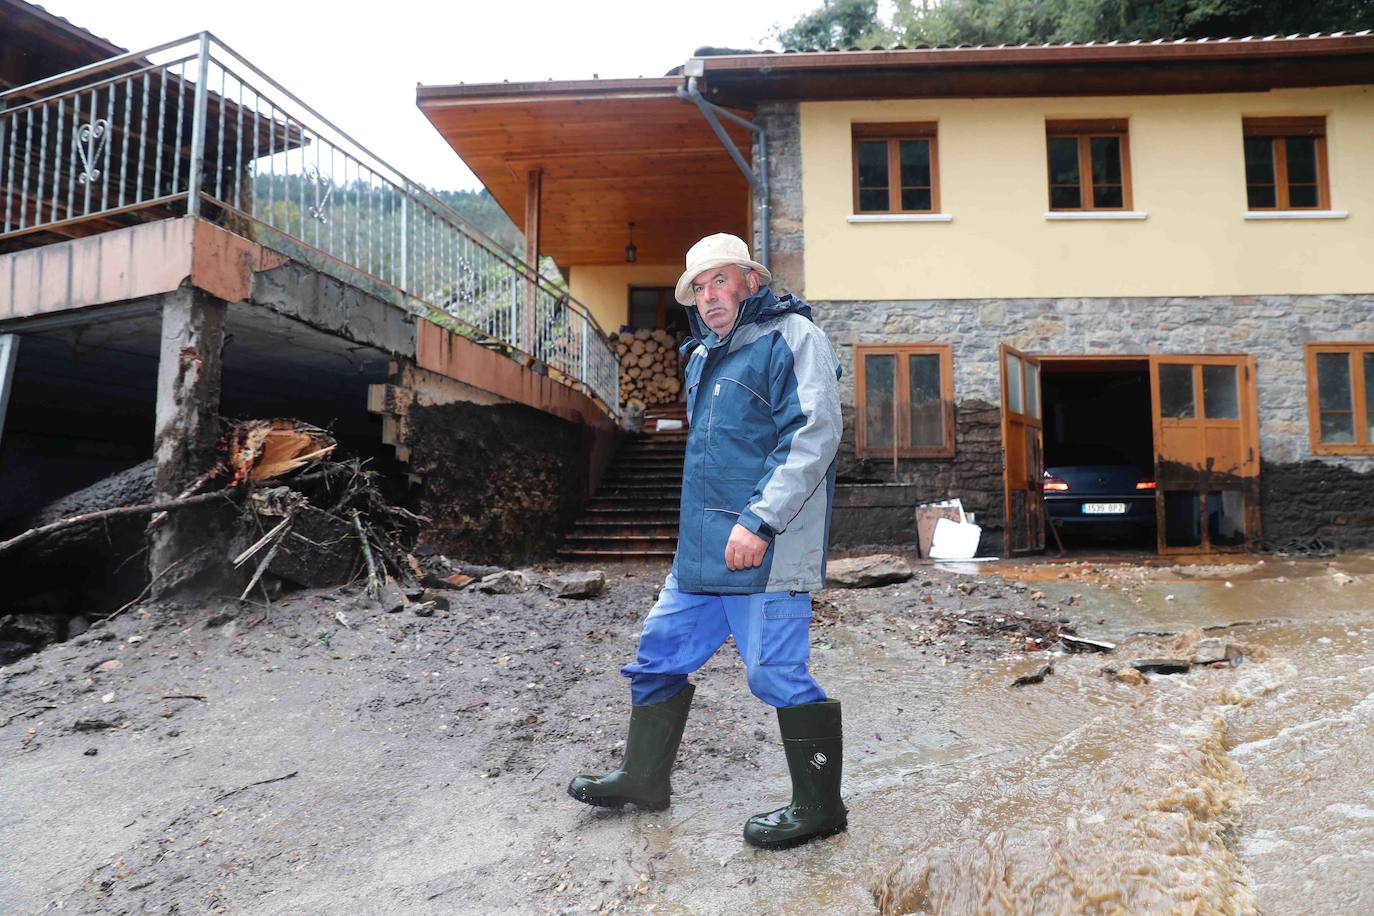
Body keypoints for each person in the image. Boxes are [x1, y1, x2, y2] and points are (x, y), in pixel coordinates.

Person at [567, 233, 846, 850]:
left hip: (764, 549)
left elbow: (812, 436)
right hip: (701, 554)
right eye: (699, 286)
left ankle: (820, 804)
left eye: (720, 280)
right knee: (658, 655)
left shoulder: (794, 339)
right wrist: (704, 537)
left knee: (776, 672)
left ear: (750, 281)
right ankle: (644, 779)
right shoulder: (701, 357)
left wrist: (760, 521)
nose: (709, 295)